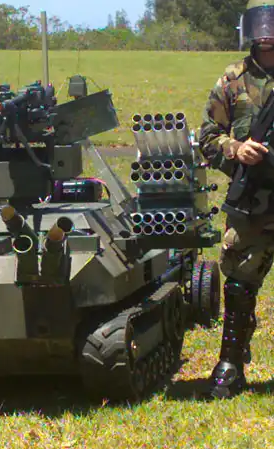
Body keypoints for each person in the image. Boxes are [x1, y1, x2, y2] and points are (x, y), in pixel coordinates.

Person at [199, 0, 274, 399]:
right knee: (240, 282)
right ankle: (231, 361)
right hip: (253, 201)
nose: (268, 34)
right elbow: (207, 137)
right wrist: (236, 149)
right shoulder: (232, 80)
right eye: (262, 24)